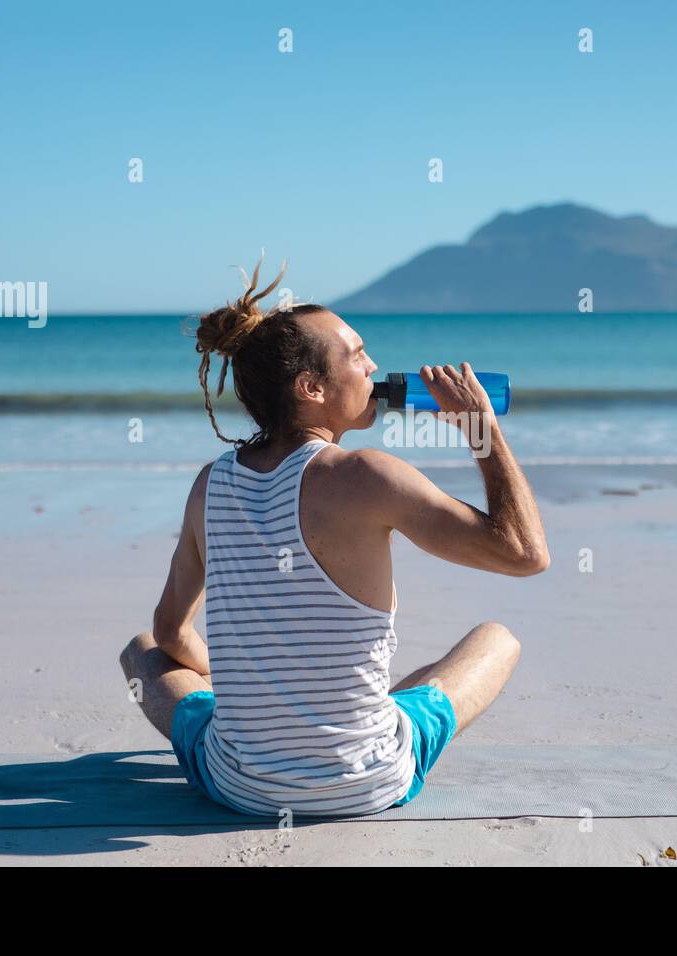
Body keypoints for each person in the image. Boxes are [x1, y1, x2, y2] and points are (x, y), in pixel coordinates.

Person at [119, 255, 549, 817]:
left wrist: (257, 695)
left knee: (143, 652)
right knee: (497, 638)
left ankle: (264, 731)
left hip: (238, 787)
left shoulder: (210, 485)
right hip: (367, 781)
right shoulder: (369, 475)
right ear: (311, 387)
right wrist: (482, 429)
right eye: (357, 356)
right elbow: (525, 554)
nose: (373, 367)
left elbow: (171, 630)